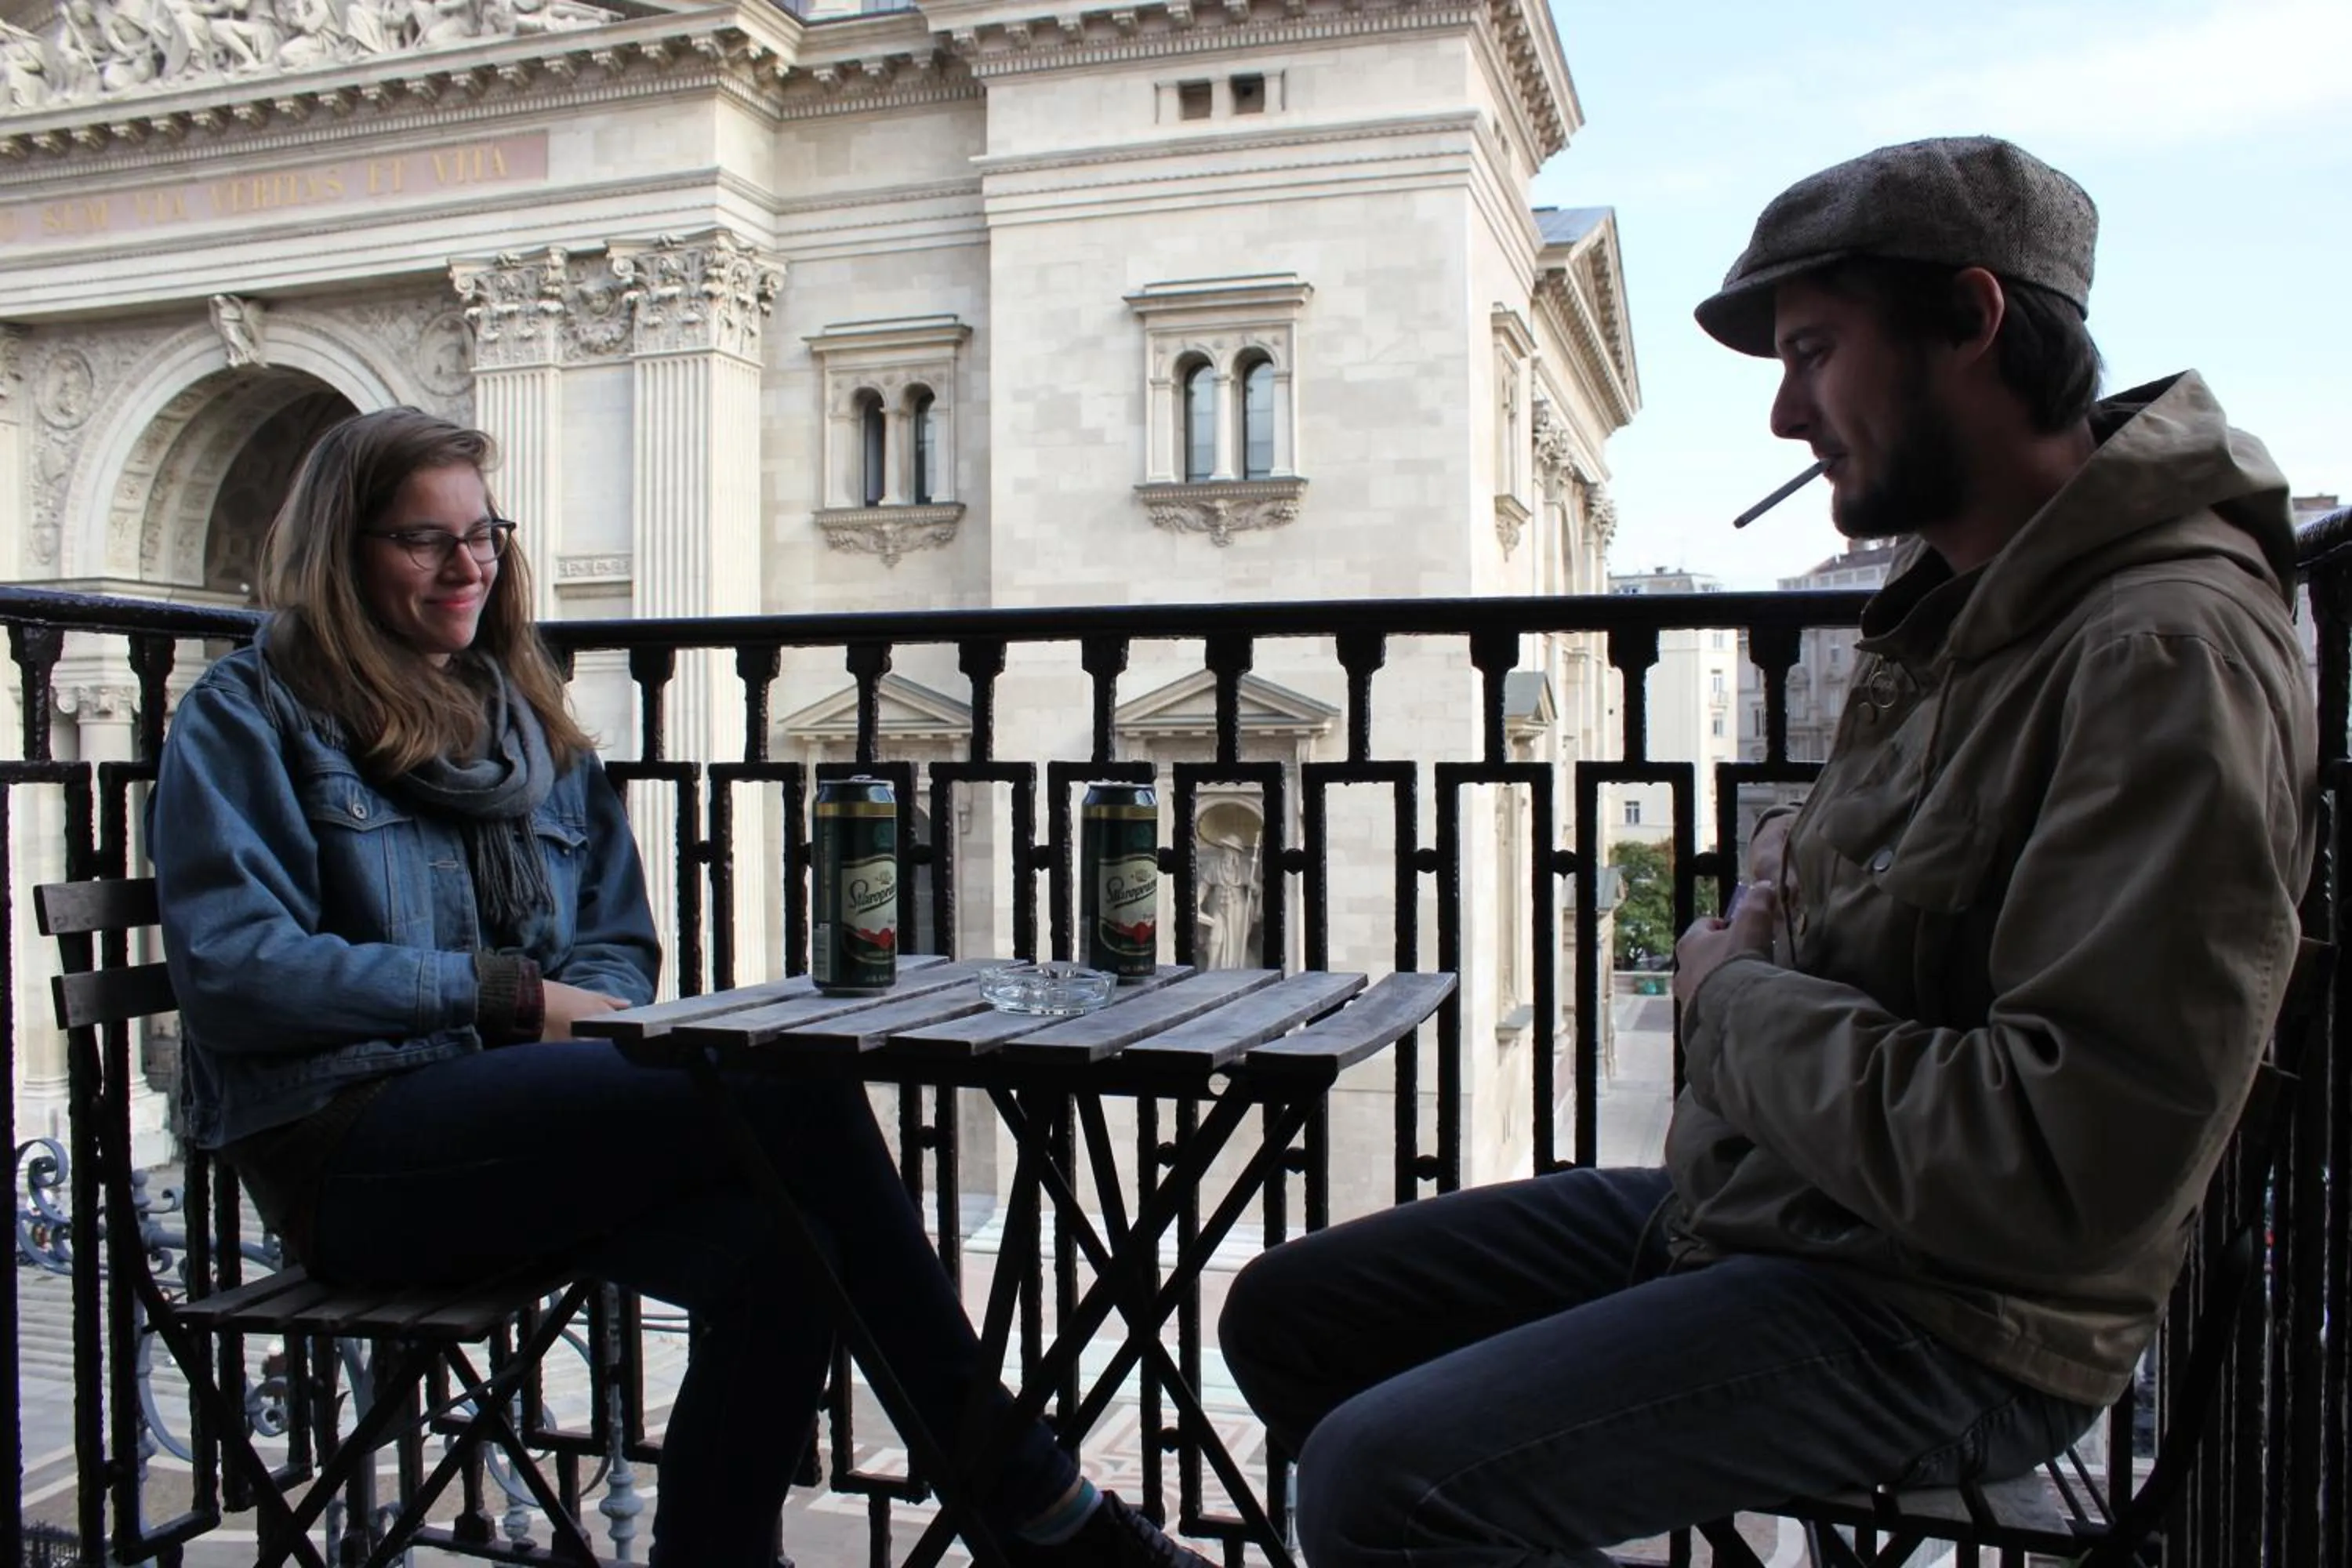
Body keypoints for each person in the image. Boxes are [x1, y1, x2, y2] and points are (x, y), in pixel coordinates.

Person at [1218, 136, 2317, 1566]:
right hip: (1789, 1214)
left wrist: (1728, 998)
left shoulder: (2159, 650)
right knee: (1292, 1312)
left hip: (1949, 1316)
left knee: (1387, 1483)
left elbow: (2061, 1168)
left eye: (1813, 351)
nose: (1790, 416)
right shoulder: (1983, 607)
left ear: (1973, 322)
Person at [151, 408, 1220, 1568]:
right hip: (350, 1157)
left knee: (785, 1250)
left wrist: (569, 1025)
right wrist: (510, 998)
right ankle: (1029, 1494)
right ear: (341, 554)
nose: (467, 567)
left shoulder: (526, 723)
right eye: (422, 541)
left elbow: (615, 950)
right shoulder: (251, 713)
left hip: (517, 1124)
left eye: (483, 534)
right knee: (780, 1089)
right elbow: (235, 971)